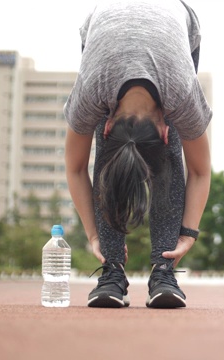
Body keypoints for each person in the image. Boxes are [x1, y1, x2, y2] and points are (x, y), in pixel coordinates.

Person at [63, 0, 212, 309]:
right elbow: (76, 168)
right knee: (117, 156)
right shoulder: (92, 89)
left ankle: (163, 269)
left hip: (177, 25)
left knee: (166, 158)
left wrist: (188, 234)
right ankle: (112, 268)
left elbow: (200, 170)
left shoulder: (181, 93)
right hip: (101, 27)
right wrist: (95, 237)